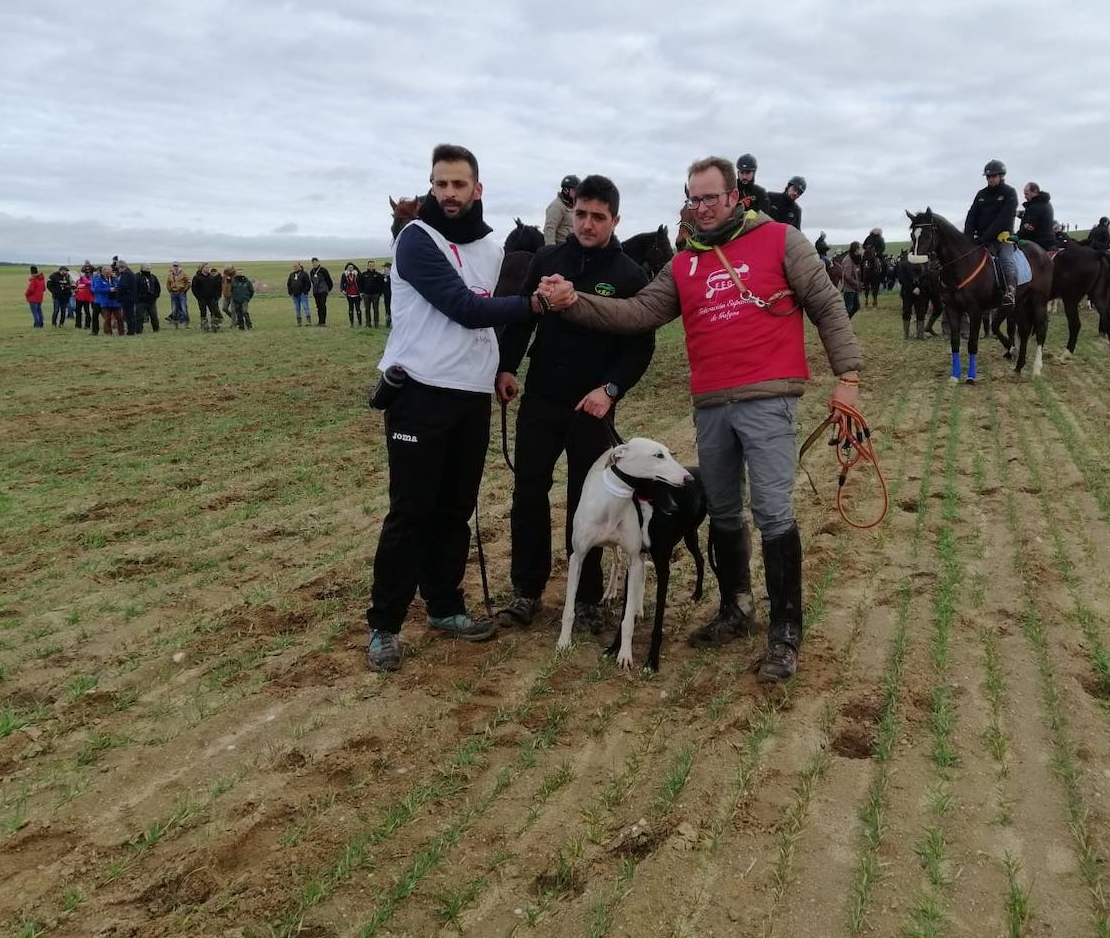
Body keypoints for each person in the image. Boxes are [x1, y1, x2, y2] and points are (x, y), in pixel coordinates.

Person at [539, 155, 863, 683]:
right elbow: (638, 312)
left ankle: (785, 630)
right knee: (726, 510)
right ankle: (737, 608)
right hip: (711, 403)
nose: (702, 206)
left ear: (735, 196)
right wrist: (574, 302)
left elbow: (827, 304)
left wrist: (847, 377)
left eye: (711, 197)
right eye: (694, 197)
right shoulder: (685, 262)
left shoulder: (781, 240)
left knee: (773, 512)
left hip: (768, 397)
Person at [366, 143, 559, 672]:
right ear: (432, 187)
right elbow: (465, 307)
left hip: (472, 394)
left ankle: (445, 607)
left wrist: (502, 366)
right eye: (441, 184)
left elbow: (496, 319)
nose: (449, 194)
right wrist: (535, 303)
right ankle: (384, 623)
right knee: (411, 511)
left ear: (478, 190)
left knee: (456, 508)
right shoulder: (415, 239)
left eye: (459, 185)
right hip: (420, 391)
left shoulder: (491, 249)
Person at [493, 174, 656, 633]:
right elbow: (523, 319)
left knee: (587, 503)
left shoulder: (628, 274)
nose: (586, 224)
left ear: (615, 220)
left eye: (597, 217)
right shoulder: (547, 259)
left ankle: (584, 599)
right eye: (581, 214)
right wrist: (507, 368)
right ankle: (526, 591)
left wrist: (610, 390)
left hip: (592, 408)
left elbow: (639, 347)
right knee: (528, 493)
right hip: (542, 399)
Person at [965, 159, 1019, 304]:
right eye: (988, 177)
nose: (990, 179)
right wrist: (968, 236)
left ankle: (1010, 292)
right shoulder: (981, 194)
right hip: (982, 239)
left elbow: (1004, 218)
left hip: (1002, 239)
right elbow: (972, 215)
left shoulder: (1010, 193)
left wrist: (985, 236)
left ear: (1001, 176)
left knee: (1006, 260)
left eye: (993, 176)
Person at [1019, 183, 1056, 251]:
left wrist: (1016, 236)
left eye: (1026, 194)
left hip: (1038, 244)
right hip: (1049, 243)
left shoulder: (1035, 207)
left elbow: (1029, 227)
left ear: (1035, 192)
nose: (1025, 197)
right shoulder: (1046, 204)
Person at [543, 174, 579, 245]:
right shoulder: (556, 206)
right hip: (562, 247)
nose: (577, 193)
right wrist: (551, 249)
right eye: (575, 190)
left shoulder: (574, 206)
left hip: (573, 245)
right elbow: (550, 228)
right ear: (566, 190)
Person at [92, 266, 123, 336]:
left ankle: (121, 332)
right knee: (107, 318)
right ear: (103, 272)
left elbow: (119, 286)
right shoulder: (99, 279)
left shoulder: (114, 279)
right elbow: (97, 289)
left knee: (119, 318)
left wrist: (116, 287)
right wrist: (109, 289)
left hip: (115, 302)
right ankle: (108, 333)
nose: (110, 273)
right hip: (105, 302)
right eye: (108, 272)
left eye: (111, 272)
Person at [193, 263, 223, 332]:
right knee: (203, 312)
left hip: (211, 298)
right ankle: (205, 327)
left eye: (208, 267)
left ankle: (214, 326)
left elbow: (216, 288)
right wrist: (199, 297)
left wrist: (216, 296)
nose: (208, 268)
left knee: (214, 312)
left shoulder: (212, 278)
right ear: (202, 268)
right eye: (206, 267)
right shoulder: (197, 277)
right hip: (202, 299)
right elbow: (194, 289)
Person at [838, 242, 863, 317]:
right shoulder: (848, 260)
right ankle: (844, 324)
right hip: (849, 289)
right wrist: (856, 283)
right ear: (856, 250)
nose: (861, 249)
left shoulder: (855, 258)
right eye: (860, 248)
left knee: (856, 306)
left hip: (854, 288)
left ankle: (846, 322)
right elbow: (847, 276)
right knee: (848, 308)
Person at [136, 264, 162, 333]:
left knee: (154, 316)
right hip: (140, 301)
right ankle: (139, 331)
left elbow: (158, 287)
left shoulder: (153, 277)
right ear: (142, 269)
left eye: (149, 269)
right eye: (146, 269)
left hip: (151, 302)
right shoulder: (136, 277)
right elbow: (134, 289)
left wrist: (156, 295)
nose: (148, 271)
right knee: (139, 317)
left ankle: (156, 329)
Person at [115, 260, 139, 336]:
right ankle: (132, 330)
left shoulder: (126, 274)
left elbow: (123, 286)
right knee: (130, 315)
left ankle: (131, 331)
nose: (117, 269)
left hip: (126, 298)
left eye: (118, 267)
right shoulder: (130, 273)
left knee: (129, 315)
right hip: (130, 297)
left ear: (122, 267)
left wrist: (117, 290)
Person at [310, 257, 334, 326]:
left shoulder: (323, 270)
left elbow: (329, 281)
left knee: (323, 305)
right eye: (313, 262)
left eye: (315, 262)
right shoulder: (312, 271)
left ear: (318, 262)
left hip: (323, 291)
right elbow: (312, 281)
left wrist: (327, 290)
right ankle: (319, 321)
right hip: (316, 292)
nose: (314, 263)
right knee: (318, 306)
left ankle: (323, 322)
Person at [166, 263, 191, 328]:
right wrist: (170, 290)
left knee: (184, 309)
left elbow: (188, 282)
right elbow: (168, 283)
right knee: (174, 309)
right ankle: (176, 325)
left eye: (176, 266)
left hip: (181, 293)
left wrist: (185, 290)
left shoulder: (183, 273)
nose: (175, 267)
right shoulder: (170, 275)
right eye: (174, 266)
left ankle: (186, 324)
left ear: (179, 266)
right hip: (173, 293)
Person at [360, 260, 383, 327]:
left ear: (374, 266)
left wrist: (380, 293)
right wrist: (361, 293)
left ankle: (376, 323)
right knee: (367, 309)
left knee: (376, 309)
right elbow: (360, 284)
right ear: (367, 266)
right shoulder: (363, 275)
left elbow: (381, 284)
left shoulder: (378, 275)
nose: (371, 267)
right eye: (370, 265)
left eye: (373, 266)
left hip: (375, 295)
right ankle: (368, 323)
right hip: (366, 295)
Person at [74, 265, 96, 332]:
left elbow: (88, 282)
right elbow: (76, 287)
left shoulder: (91, 280)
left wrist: (83, 276)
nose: (87, 273)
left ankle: (87, 325)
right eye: (85, 272)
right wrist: (75, 290)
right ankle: (78, 325)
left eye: (88, 272)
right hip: (78, 298)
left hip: (86, 299)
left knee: (87, 312)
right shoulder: (78, 280)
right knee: (78, 312)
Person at [383, 260, 393, 327]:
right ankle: (388, 322)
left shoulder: (393, 275)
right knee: (387, 309)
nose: (385, 268)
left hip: (393, 295)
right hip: (386, 295)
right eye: (385, 267)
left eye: (387, 267)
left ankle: (394, 322)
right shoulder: (383, 275)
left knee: (393, 309)